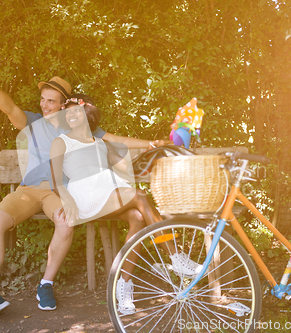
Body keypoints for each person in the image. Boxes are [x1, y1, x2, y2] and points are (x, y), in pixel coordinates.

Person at [0, 65, 172, 322]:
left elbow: (114, 139)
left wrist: (151, 144)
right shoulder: (33, 122)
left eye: (51, 101)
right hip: (28, 190)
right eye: (42, 100)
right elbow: (9, 107)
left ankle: (46, 284)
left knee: (66, 223)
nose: (45, 106)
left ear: (64, 105)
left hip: (57, 191)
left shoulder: (77, 127)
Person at [50, 95, 203, 315]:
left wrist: (156, 149)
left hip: (106, 192)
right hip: (83, 195)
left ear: (88, 115)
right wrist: (68, 200)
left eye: (77, 111)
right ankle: (175, 257)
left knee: (138, 218)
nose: (71, 115)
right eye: (68, 112)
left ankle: (123, 287)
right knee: (140, 197)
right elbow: (56, 181)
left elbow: (127, 169)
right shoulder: (61, 142)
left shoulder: (101, 143)